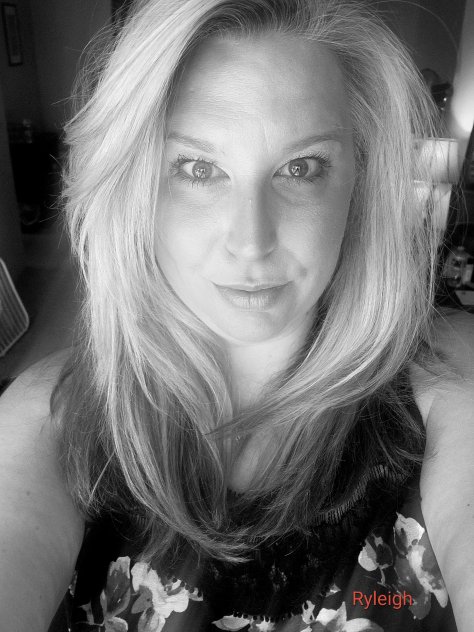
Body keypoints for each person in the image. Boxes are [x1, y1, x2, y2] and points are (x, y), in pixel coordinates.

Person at [1, 0, 473, 630]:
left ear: (359, 182)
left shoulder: (446, 396)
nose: (252, 242)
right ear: (132, 185)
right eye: (198, 169)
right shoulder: (52, 418)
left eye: (301, 168)